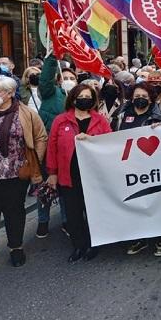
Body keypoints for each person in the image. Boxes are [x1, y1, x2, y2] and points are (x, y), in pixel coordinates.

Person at [0, 77, 47, 275]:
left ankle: (16, 248)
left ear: (10, 93)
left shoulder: (26, 114)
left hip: (15, 176)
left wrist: (33, 163)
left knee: (14, 212)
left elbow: (40, 137)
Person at [46, 85, 112, 263]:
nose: (85, 99)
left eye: (88, 96)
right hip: (69, 176)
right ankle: (78, 245)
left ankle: (93, 244)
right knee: (73, 213)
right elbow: (52, 148)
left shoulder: (100, 121)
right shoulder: (60, 121)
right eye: (81, 96)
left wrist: (91, 140)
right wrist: (52, 172)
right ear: (73, 99)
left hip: (94, 177)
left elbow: (109, 144)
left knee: (92, 212)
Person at [114, 82, 161, 257]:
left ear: (151, 99)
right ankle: (140, 238)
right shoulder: (122, 115)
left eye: (144, 96)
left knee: (155, 202)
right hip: (129, 168)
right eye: (137, 96)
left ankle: (159, 237)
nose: (140, 99)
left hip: (153, 169)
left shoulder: (158, 117)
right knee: (135, 203)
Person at [35, 54, 76, 238]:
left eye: (72, 78)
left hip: (70, 152)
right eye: (65, 78)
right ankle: (43, 221)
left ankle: (68, 220)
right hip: (50, 149)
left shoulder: (80, 98)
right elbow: (44, 80)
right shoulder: (51, 94)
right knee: (46, 187)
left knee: (67, 188)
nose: (68, 81)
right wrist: (53, 58)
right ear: (58, 81)